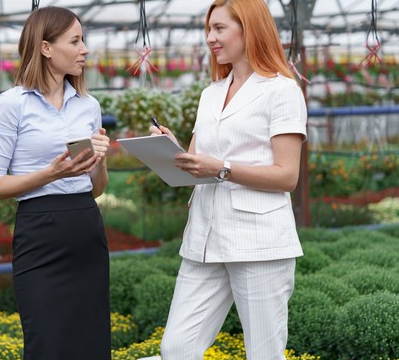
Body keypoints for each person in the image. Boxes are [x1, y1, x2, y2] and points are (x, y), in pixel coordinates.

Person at [150, 1, 307, 359]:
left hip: (260, 243)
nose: (210, 38)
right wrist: (167, 146)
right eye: (209, 30)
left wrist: (222, 168)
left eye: (219, 29)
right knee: (176, 349)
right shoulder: (211, 94)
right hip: (204, 240)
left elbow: (288, 175)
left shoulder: (281, 91)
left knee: (264, 354)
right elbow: (193, 166)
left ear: (249, 29)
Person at [0, 6, 111, 360]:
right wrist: (50, 175)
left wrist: (98, 160)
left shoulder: (89, 105)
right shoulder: (12, 104)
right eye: (75, 41)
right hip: (40, 232)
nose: (84, 49)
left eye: (83, 40)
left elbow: (97, 188)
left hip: (86, 227)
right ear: (46, 48)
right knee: (47, 344)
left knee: (92, 343)